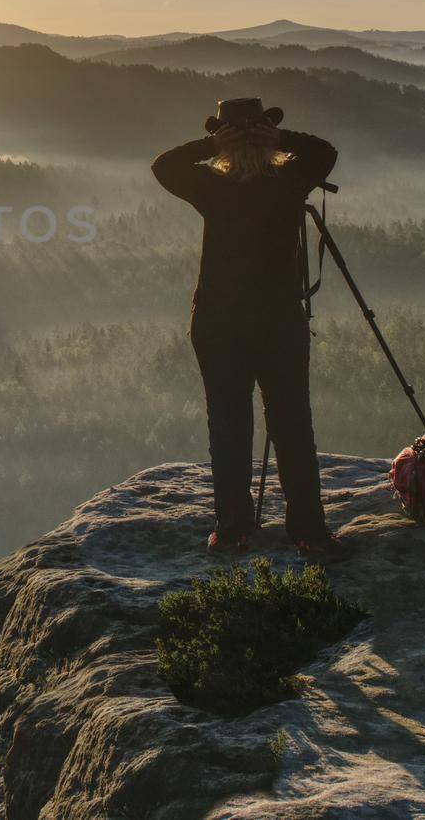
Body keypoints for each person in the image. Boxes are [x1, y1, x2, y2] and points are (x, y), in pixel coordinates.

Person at [152, 97, 351, 563]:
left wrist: (212, 144)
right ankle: (309, 531)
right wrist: (277, 139)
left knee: (228, 424)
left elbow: (164, 166)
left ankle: (233, 528)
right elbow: (325, 152)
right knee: (293, 424)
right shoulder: (289, 181)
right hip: (279, 319)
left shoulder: (209, 185)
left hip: (219, 321)